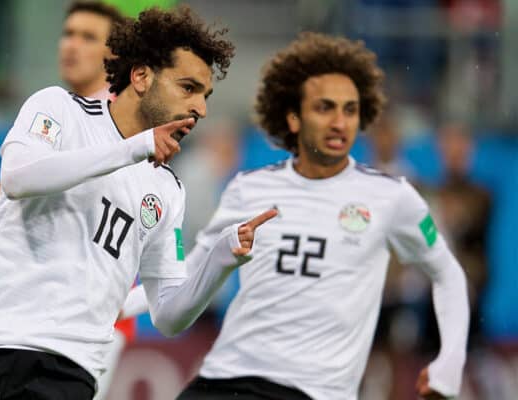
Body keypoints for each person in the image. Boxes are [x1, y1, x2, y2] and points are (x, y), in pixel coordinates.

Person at [0, 7, 279, 400]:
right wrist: (134, 148)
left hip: (66, 373)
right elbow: (18, 178)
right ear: (141, 76)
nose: (201, 108)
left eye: (204, 95)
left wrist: (221, 258)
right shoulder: (59, 108)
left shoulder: (166, 190)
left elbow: (169, 314)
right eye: (188, 88)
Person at [121, 32, 470, 400]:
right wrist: (120, 304)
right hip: (226, 380)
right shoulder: (249, 188)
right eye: (325, 108)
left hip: (315, 391)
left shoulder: (392, 197)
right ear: (293, 118)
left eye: (350, 109)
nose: (340, 122)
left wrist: (451, 360)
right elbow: (191, 271)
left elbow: (447, 272)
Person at [0, 3, 131, 398]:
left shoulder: (126, 129)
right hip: (26, 320)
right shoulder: (57, 108)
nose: (71, 46)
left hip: (86, 331)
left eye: (88, 37)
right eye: (69, 34)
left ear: (114, 56)